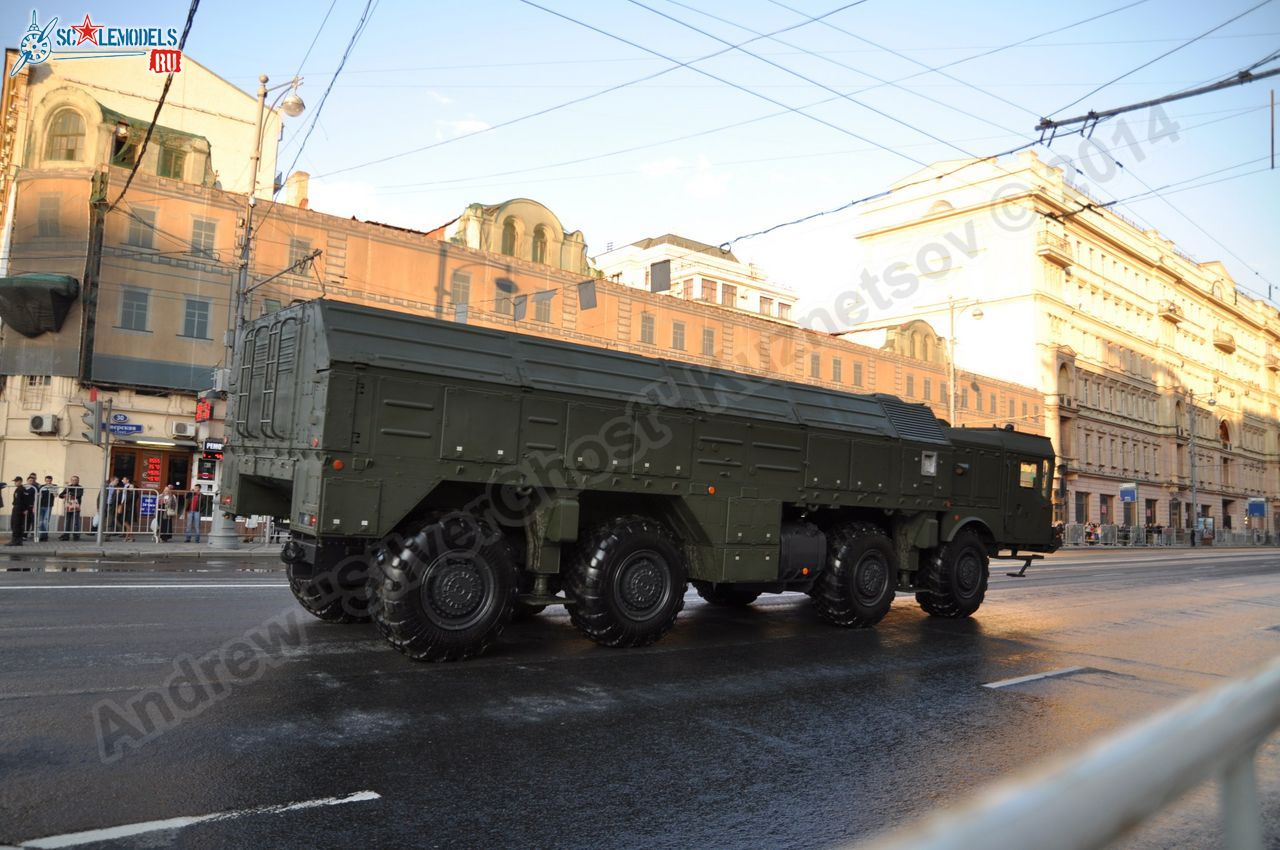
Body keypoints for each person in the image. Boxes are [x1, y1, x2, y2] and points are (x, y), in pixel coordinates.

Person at [7, 476, 32, 546]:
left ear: (20, 481)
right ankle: (19, 541)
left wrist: (24, 509)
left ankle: (14, 541)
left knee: (15, 525)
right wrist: (25, 509)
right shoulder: (23, 489)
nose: (15, 483)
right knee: (19, 525)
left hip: (18, 508)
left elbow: (20, 500)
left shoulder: (20, 489)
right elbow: (26, 500)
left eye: (16, 481)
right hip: (21, 509)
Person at [59, 475, 84, 541]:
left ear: (78, 481)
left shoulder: (80, 487)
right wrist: (64, 494)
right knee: (67, 521)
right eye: (72, 480)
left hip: (76, 506)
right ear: (71, 480)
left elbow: (78, 494)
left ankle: (76, 536)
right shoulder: (68, 487)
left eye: (75, 480)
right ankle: (66, 535)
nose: (74, 481)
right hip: (68, 506)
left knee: (76, 522)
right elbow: (60, 495)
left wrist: (69, 494)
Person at [36, 475, 56, 542]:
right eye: (47, 480)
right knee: (41, 521)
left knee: (46, 521)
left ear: (51, 480)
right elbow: (38, 495)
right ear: (45, 480)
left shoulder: (54, 486)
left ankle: (45, 536)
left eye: (49, 481)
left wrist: (51, 488)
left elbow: (55, 495)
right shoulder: (41, 486)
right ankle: (42, 535)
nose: (48, 482)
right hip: (41, 505)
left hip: (48, 506)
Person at [120, 477, 136, 541]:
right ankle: (130, 537)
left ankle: (129, 537)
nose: (122, 480)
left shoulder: (130, 486)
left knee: (126, 521)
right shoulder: (124, 487)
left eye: (123, 479)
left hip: (128, 507)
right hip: (124, 505)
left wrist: (129, 490)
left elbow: (131, 497)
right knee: (126, 522)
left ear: (127, 480)